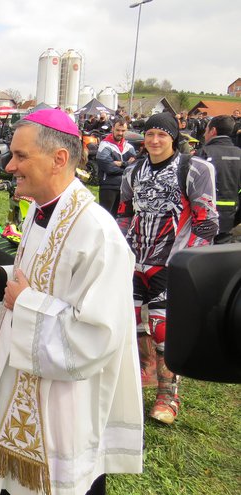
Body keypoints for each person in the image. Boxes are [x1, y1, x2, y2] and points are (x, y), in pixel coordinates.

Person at [0, 109, 143, 495]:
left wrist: (24, 302)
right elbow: (41, 276)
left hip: (60, 410)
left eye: (21, 156)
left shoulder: (98, 234)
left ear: (59, 158)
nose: (10, 165)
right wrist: (1, 277)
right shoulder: (40, 211)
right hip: (14, 390)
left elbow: (97, 335)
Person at [117, 112, 218, 424]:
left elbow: (207, 224)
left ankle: (168, 395)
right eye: (150, 134)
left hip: (172, 261)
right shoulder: (133, 170)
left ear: (174, 137)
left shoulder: (194, 168)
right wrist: (119, 250)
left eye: (162, 134)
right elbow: (123, 213)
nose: (155, 140)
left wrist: (189, 266)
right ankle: (142, 376)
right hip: (135, 260)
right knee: (130, 322)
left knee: (163, 328)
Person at [196, 115, 241, 244]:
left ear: (213, 131)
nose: (204, 134)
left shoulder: (203, 153)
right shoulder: (239, 154)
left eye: (206, 130)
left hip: (204, 220)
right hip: (230, 219)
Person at [96, 117, 136, 215]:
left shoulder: (129, 147)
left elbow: (135, 166)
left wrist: (121, 163)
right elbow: (109, 168)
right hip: (108, 187)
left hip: (125, 188)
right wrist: (127, 165)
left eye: (123, 131)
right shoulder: (104, 145)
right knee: (106, 217)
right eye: (118, 130)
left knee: (122, 219)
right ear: (113, 128)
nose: (120, 133)